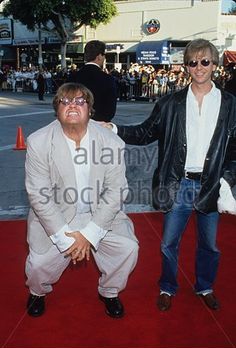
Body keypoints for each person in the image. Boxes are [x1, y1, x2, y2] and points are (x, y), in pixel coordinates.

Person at [103, 39, 236, 311]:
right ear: (186, 66)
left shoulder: (230, 103)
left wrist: (227, 179)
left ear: (214, 64)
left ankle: (205, 285)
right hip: (179, 183)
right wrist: (114, 129)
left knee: (209, 245)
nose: (199, 67)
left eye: (205, 61)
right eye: (192, 62)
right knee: (168, 243)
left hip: (211, 184)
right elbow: (145, 132)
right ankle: (167, 286)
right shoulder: (170, 103)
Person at [25, 82, 139, 318]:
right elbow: (39, 194)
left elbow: (116, 190)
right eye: (65, 101)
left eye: (80, 101)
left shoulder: (111, 142)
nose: (72, 106)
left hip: (99, 213)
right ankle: (38, 292)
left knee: (128, 248)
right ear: (57, 109)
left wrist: (90, 234)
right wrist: (66, 238)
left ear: (90, 109)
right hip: (56, 215)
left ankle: (109, 291)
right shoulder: (39, 142)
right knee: (37, 265)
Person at [72, 40, 117, 122]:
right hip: (99, 125)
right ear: (99, 56)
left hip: (75, 122)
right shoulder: (107, 79)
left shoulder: (72, 77)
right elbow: (109, 112)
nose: (104, 58)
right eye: (104, 55)